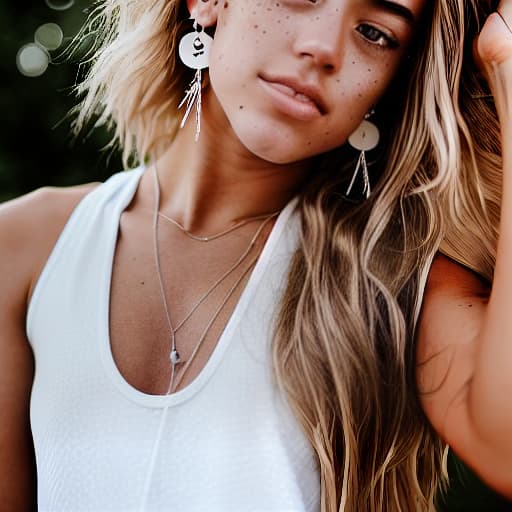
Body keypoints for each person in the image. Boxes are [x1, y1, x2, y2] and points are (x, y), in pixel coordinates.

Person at [1, 0, 511, 510]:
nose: (324, 48)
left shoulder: (395, 281)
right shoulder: (24, 247)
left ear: (388, 85)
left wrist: (507, 68)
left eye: (375, 34)